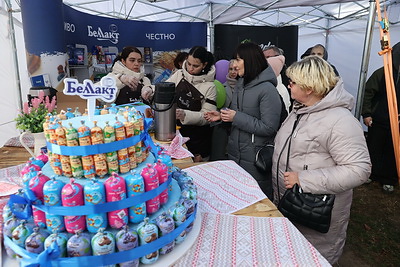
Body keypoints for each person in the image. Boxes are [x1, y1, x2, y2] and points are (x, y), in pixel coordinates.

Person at [272, 56, 371, 264]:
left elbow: (359, 169)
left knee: (314, 258)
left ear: (309, 88)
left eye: (293, 82)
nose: (288, 85)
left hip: (316, 211)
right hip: (292, 203)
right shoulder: (299, 110)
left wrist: (305, 179)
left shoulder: (341, 121)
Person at [204, 42, 284, 198]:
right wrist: (222, 116)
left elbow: (269, 127)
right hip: (236, 154)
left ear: (250, 60)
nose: (234, 64)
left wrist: (236, 117)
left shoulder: (267, 90)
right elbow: (239, 115)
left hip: (255, 158)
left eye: (238, 59)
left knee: (256, 201)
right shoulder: (241, 85)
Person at [142, 46, 217, 162]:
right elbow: (164, 88)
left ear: (204, 65)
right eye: (189, 64)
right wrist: (149, 89)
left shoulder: (210, 87)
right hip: (175, 133)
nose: (190, 68)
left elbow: (207, 116)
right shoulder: (179, 75)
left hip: (197, 140)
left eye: (195, 66)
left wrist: (185, 115)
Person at [361, 41, 400, 193]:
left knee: (392, 150)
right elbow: (368, 93)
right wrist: (367, 114)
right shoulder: (381, 73)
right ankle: (371, 173)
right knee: (374, 147)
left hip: (396, 122)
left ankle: (388, 179)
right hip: (378, 119)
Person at [209, 59, 238, 161]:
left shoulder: (245, 88)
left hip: (236, 129)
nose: (233, 72)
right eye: (230, 69)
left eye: (236, 69)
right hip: (221, 129)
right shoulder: (220, 87)